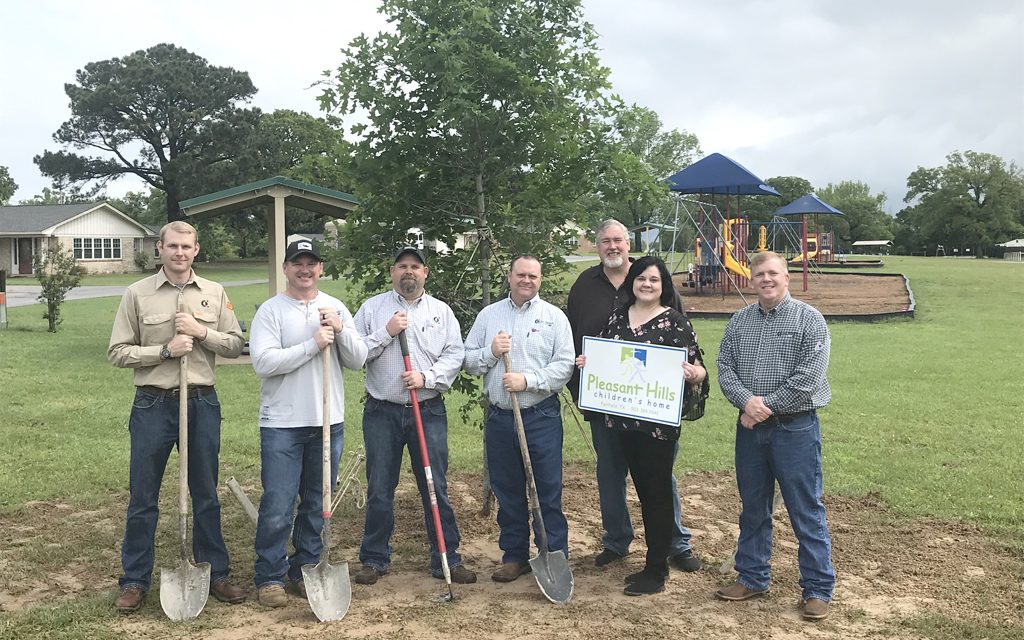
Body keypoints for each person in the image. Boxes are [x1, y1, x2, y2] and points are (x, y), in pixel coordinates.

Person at [108, 220, 246, 613]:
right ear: (160, 248)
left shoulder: (215, 294)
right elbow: (118, 352)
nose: (179, 253)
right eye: (172, 246)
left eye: (187, 247)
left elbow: (236, 345)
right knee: (143, 496)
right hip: (152, 404)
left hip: (201, 402)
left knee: (205, 493)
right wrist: (165, 351)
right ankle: (134, 581)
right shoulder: (137, 294)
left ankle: (215, 572)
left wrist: (201, 333)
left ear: (196, 249)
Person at [566, 219, 702, 572]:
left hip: (654, 411)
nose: (612, 246)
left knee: (659, 478)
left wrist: (693, 373)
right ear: (597, 246)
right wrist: (583, 368)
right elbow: (575, 337)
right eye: (605, 241)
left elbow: (690, 356)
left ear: (628, 244)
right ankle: (616, 541)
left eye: (618, 240)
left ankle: (675, 542)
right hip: (607, 405)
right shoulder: (584, 287)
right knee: (609, 473)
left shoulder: (661, 296)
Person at [715, 251, 835, 622]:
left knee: (805, 509)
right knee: (753, 507)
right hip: (750, 431)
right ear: (751, 280)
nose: (766, 279)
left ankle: (817, 588)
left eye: (773, 273)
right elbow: (725, 366)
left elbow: (808, 377)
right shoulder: (739, 321)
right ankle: (752, 576)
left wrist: (763, 407)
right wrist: (746, 404)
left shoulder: (809, 320)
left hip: (794, 428)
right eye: (759, 274)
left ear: (787, 277)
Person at [248, 239, 368, 607]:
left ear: (321, 268)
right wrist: (313, 344)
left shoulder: (336, 307)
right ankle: (269, 576)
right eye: (297, 263)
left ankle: (307, 567)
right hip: (282, 422)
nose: (305, 269)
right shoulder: (271, 311)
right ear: (286, 268)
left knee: (318, 502)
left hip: (327, 421)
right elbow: (263, 363)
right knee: (279, 503)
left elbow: (358, 359)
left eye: (311, 263)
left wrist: (340, 329)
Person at [352, 247, 477, 585]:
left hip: (428, 409)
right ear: (392, 272)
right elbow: (355, 353)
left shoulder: (442, 311)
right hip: (382, 412)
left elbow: (455, 354)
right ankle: (374, 559)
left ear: (426, 272)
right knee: (380, 487)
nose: (408, 272)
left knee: (435, 485)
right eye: (402, 266)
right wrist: (387, 332)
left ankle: (446, 558)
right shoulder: (372, 309)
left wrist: (427, 377)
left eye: (415, 267)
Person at [463, 256, 575, 582]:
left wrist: (528, 381)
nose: (527, 280)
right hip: (500, 418)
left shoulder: (554, 318)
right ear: (510, 277)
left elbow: (564, 366)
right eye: (521, 274)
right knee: (508, 490)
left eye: (533, 275)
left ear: (540, 279)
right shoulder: (489, 316)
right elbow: (468, 361)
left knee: (547, 490)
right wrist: (491, 353)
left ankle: (552, 555)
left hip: (540, 416)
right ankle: (514, 555)